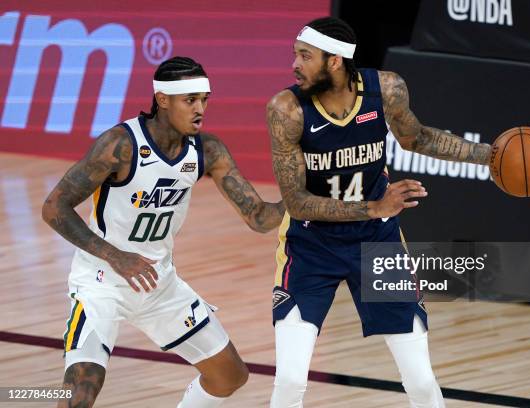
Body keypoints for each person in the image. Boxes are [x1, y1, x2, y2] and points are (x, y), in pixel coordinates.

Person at [266, 17, 492, 407]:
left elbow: (415, 136)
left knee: (420, 380)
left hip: (377, 244)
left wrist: (490, 156)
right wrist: (376, 206)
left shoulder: (385, 88)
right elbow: (298, 201)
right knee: (288, 381)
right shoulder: (287, 109)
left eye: (305, 56)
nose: (294, 65)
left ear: (335, 61)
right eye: (295, 55)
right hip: (310, 246)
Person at [42, 56, 284, 408]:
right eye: (191, 100)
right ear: (163, 99)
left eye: (205, 99)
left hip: (159, 284)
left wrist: (299, 194)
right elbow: (54, 208)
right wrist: (116, 256)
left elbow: (259, 218)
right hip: (102, 282)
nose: (200, 109)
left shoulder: (207, 150)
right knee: (82, 390)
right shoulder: (120, 144)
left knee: (230, 376)